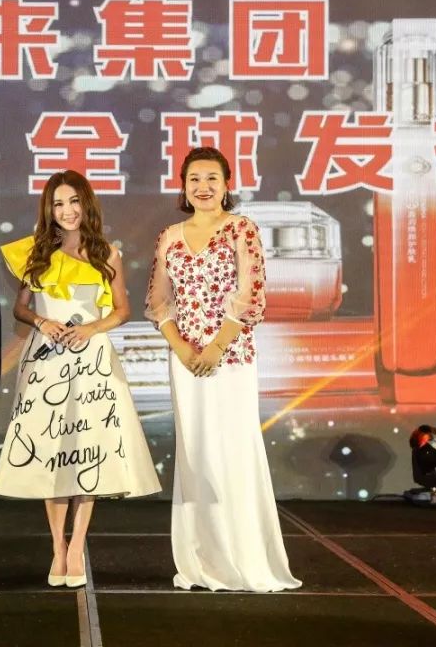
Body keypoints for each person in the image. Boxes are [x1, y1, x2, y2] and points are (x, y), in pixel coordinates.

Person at [0, 170, 160, 588]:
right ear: (49, 210)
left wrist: (91, 328)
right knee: (52, 451)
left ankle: (76, 547)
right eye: (58, 204)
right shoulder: (36, 253)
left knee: (89, 453)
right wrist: (42, 322)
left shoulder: (107, 254)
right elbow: (21, 309)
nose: (67, 211)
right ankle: (57, 547)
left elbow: (122, 310)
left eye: (73, 201)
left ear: (86, 204)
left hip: (93, 363)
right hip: (47, 362)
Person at [144, 146, 301, 593]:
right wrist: (182, 348)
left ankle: (245, 560)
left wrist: (215, 347)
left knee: (233, 450)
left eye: (212, 178)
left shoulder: (241, 229)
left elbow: (252, 297)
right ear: (183, 185)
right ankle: (202, 561)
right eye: (194, 179)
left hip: (230, 359)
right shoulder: (169, 236)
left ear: (227, 184)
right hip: (185, 362)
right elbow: (158, 302)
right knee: (196, 455)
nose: (203, 187)